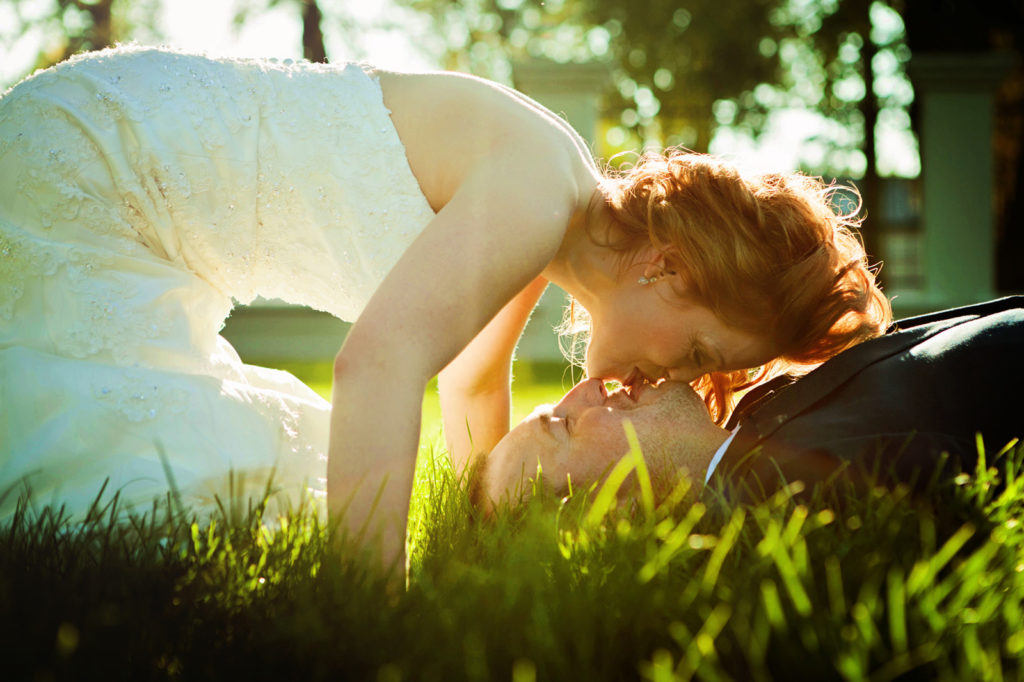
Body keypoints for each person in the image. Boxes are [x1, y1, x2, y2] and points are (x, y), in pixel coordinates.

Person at [0, 44, 886, 568]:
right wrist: (375, 605)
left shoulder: (556, 218)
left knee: (282, 475)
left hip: (147, 215)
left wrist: (475, 532)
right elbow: (376, 366)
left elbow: (470, 388)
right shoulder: (537, 195)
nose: (671, 379)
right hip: (92, 167)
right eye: (695, 353)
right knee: (180, 473)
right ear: (667, 266)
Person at [476, 297, 1024, 508]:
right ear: (606, 515)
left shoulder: (755, 428)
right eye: (562, 425)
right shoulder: (794, 496)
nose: (588, 386)